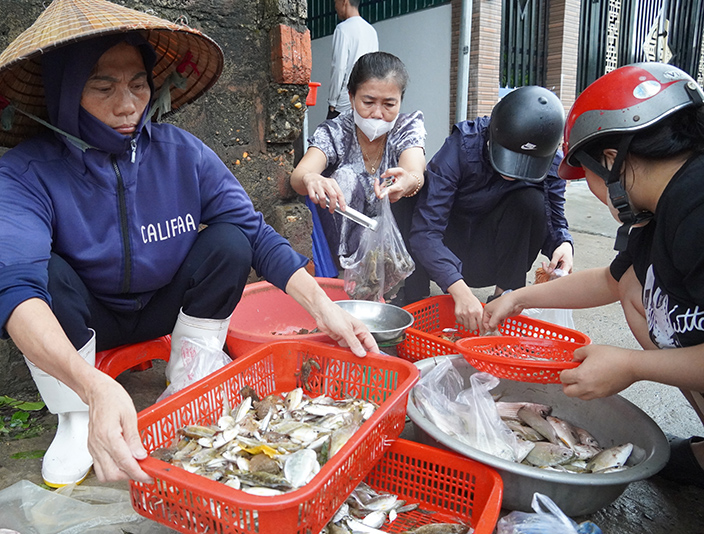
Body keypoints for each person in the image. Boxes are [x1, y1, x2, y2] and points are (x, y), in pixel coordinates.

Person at [0, 0, 378, 488]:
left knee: (229, 241)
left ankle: (191, 367)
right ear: (65, 93)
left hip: (163, 305)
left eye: (138, 84)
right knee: (46, 276)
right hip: (91, 321)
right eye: (102, 86)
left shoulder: (183, 153)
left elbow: (254, 232)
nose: (127, 104)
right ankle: (74, 415)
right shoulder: (27, 170)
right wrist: (94, 386)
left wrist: (322, 308)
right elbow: (13, 288)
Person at [483, 62, 704, 489]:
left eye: (586, 175)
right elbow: (612, 279)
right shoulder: (662, 206)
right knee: (637, 291)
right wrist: (519, 298)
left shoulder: (697, 212)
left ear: (610, 160)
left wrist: (633, 366)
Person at [409, 86, 574, 331]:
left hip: (492, 253)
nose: (514, 173)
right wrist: (458, 288)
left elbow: (554, 219)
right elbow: (426, 231)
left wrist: (563, 244)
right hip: (447, 245)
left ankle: (504, 299)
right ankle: (417, 300)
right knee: (408, 194)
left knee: (531, 200)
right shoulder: (462, 147)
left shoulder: (550, 162)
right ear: (492, 136)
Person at [291, 51, 430, 305]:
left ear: (400, 101)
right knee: (343, 178)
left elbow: (414, 167)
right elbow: (300, 175)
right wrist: (313, 179)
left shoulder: (406, 127)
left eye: (389, 104)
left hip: (394, 243)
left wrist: (408, 181)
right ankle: (354, 285)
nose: (378, 113)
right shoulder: (336, 131)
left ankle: (397, 291)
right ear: (351, 97)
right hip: (346, 243)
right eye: (368, 102)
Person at [327, 0, 378, 120]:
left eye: (335, 3)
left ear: (344, 2)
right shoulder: (371, 31)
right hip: (366, 101)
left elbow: (339, 68)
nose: (335, 7)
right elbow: (375, 68)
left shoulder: (342, 29)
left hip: (345, 102)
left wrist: (332, 101)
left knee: (329, 137)